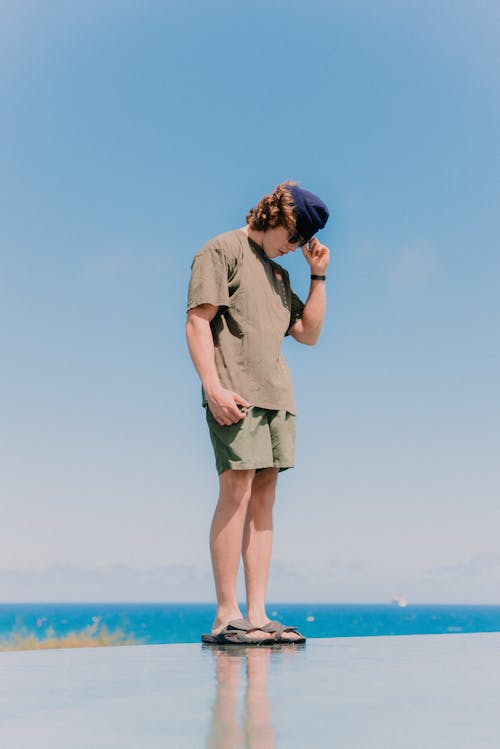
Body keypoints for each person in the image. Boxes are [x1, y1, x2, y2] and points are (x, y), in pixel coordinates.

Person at [186, 181, 330, 645]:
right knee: (237, 490)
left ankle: (258, 614)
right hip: (235, 395)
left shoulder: (280, 275)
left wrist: (318, 275)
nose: (292, 248)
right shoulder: (221, 250)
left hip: (277, 398)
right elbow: (197, 321)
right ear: (277, 217)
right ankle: (226, 615)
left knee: (264, 499)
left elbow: (307, 333)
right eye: (293, 238)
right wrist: (213, 388)